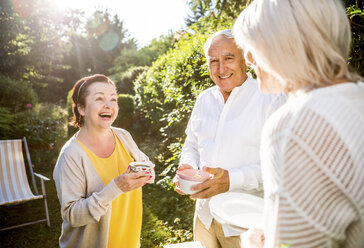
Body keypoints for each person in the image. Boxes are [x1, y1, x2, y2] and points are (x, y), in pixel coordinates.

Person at [232, 0, 364, 247]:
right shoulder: (357, 97)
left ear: (284, 45)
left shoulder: (295, 125)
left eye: (253, 45)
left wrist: (253, 243)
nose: (247, 58)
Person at [174, 29, 286, 248]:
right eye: (213, 61)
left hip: (247, 223)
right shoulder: (204, 99)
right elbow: (192, 143)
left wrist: (231, 180)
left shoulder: (270, 98)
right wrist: (186, 165)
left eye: (229, 58)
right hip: (204, 217)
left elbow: (282, 165)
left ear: (246, 58)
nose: (221, 68)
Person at [53, 74, 154, 248]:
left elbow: (145, 165)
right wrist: (116, 188)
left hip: (129, 241)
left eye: (113, 99)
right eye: (99, 98)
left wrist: (147, 173)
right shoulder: (71, 155)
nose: (108, 105)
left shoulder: (123, 136)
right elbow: (73, 216)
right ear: (81, 108)